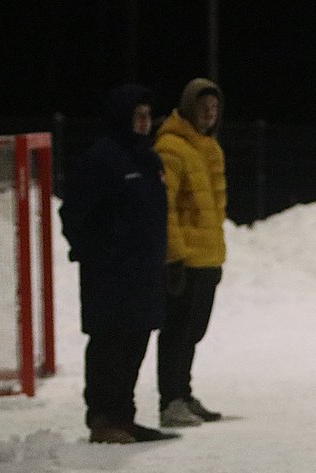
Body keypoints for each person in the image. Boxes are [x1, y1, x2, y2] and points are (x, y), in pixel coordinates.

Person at [59, 83, 175, 444]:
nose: (143, 122)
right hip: (110, 277)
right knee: (109, 345)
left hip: (144, 273)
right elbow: (74, 213)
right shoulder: (103, 158)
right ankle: (103, 418)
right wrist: (100, 252)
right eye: (137, 115)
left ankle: (125, 417)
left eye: (146, 116)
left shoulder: (148, 158)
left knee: (135, 344)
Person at [153, 78, 228, 428]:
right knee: (177, 332)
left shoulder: (209, 147)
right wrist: (174, 257)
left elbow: (213, 207)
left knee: (193, 332)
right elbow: (165, 207)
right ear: (188, 107)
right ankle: (170, 401)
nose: (210, 114)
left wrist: (216, 258)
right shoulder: (171, 146)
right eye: (203, 107)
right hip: (186, 260)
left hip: (207, 258)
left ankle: (183, 392)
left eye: (214, 108)